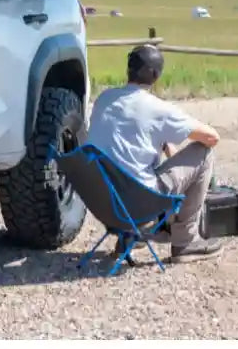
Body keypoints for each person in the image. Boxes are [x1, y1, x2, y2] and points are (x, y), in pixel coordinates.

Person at [85, 43, 224, 263]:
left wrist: (164, 142)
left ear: (128, 70)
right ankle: (185, 241)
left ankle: (131, 236)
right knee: (203, 152)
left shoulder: (105, 99)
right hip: (139, 204)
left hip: (104, 204)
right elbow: (211, 137)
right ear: (155, 75)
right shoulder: (157, 109)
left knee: (134, 161)